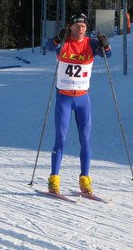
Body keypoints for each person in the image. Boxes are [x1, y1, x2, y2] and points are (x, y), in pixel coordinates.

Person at [46, 12, 111, 195]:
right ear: (71, 27)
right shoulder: (64, 42)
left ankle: (84, 179)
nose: (80, 29)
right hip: (64, 98)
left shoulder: (91, 44)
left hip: (83, 99)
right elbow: (49, 46)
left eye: (83, 26)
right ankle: (53, 179)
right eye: (77, 26)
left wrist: (105, 44)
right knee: (61, 139)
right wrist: (58, 38)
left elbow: (108, 54)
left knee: (85, 139)